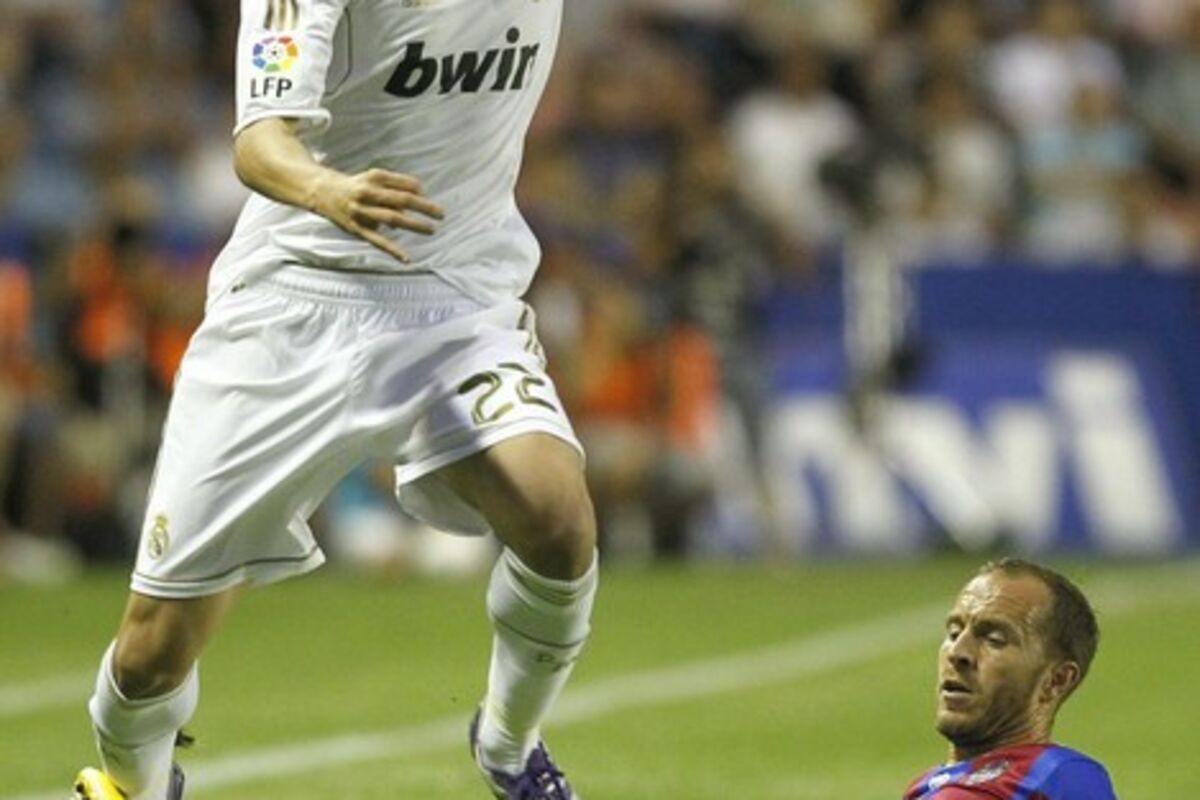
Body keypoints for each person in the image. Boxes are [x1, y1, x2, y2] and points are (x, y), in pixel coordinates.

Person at [72, 1, 598, 798]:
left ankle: (509, 747)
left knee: (558, 518)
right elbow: (259, 143)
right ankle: (134, 785)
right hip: (292, 308)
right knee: (150, 653)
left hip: (454, 302)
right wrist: (326, 189)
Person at [903, 558, 1117, 799]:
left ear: (1056, 680)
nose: (957, 652)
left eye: (994, 640)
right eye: (954, 633)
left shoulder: (1050, 780)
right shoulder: (927, 785)